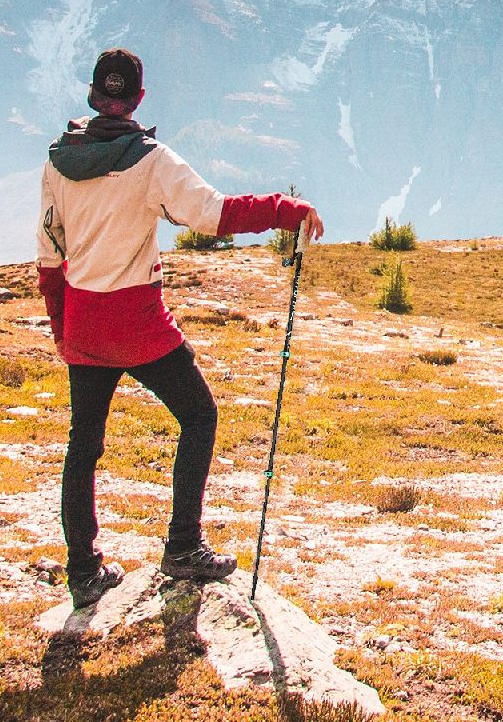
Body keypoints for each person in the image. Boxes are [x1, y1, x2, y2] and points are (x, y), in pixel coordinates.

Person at [36, 48, 324, 609]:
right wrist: (286, 209)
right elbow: (216, 215)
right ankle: (183, 546)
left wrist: (62, 329)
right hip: (139, 324)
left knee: (83, 443)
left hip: (86, 325)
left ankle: (83, 570)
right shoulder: (151, 161)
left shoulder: (56, 163)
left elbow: (51, 259)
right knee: (198, 415)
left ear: (94, 96)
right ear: (139, 99)